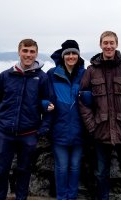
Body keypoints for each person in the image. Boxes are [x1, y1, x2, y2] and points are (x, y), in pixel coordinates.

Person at [0, 38, 54, 200]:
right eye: (25, 51)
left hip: (29, 134)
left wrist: (42, 129)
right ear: (19, 52)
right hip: (4, 133)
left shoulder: (42, 78)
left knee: (24, 171)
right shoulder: (6, 75)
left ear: (36, 53)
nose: (28, 55)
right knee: (0, 172)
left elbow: (50, 105)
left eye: (32, 51)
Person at [78, 31, 121, 200]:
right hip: (101, 132)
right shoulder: (91, 71)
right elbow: (82, 100)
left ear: (116, 44)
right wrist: (92, 126)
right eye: (105, 42)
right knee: (100, 174)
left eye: (111, 42)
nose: (108, 46)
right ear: (100, 45)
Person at [47, 40, 86, 200]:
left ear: (78, 55)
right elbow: (42, 95)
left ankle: (72, 197)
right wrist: (44, 104)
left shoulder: (85, 74)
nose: (71, 56)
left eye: (74, 53)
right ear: (63, 56)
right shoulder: (52, 74)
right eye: (68, 53)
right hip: (59, 130)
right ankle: (62, 198)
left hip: (79, 131)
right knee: (62, 168)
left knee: (75, 168)